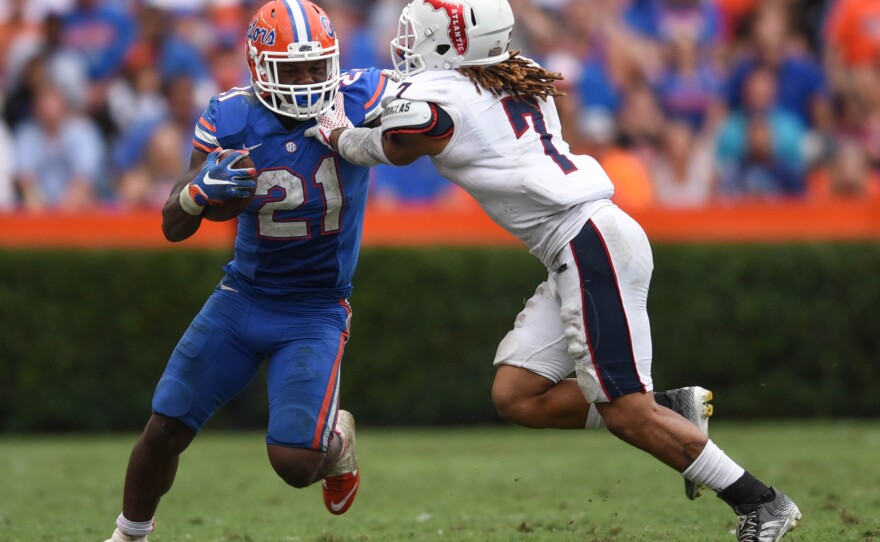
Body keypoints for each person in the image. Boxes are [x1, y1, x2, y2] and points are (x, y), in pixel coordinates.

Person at [307, 1, 802, 540]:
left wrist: (339, 133)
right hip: (584, 242)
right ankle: (672, 408)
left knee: (626, 413)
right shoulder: (514, 74)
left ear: (453, 44)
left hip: (588, 242)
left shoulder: (446, 97)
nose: (407, 45)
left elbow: (405, 142)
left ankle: (762, 502)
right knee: (518, 396)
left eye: (419, 34)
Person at [104, 2, 392, 540]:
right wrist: (194, 195)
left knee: (294, 463)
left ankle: (338, 441)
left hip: (315, 308)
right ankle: (127, 535)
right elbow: (173, 222)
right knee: (165, 427)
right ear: (260, 66)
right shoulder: (230, 116)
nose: (308, 83)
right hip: (243, 296)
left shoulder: (361, 96)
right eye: (293, 70)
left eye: (316, 68)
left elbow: (428, 114)